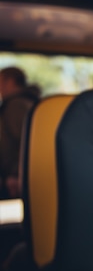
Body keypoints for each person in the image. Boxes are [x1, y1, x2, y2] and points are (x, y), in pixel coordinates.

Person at [0, 66, 40, 198]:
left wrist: (17, 174)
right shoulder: (26, 102)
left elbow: (27, 142)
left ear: (11, 81)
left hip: (15, 180)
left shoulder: (16, 105)